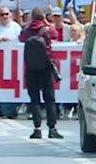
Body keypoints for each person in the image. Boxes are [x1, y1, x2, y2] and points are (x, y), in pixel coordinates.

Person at [19, 7, 63, 139]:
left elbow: (21, 38)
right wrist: (47, 23)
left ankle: (37, 128)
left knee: (35, 99)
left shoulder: (26, 31)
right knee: (49, 99)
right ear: (43, 17)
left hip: (31, 68)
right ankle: (52, 128)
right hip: (46, 67)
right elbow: (56, 35)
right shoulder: (47, 29)